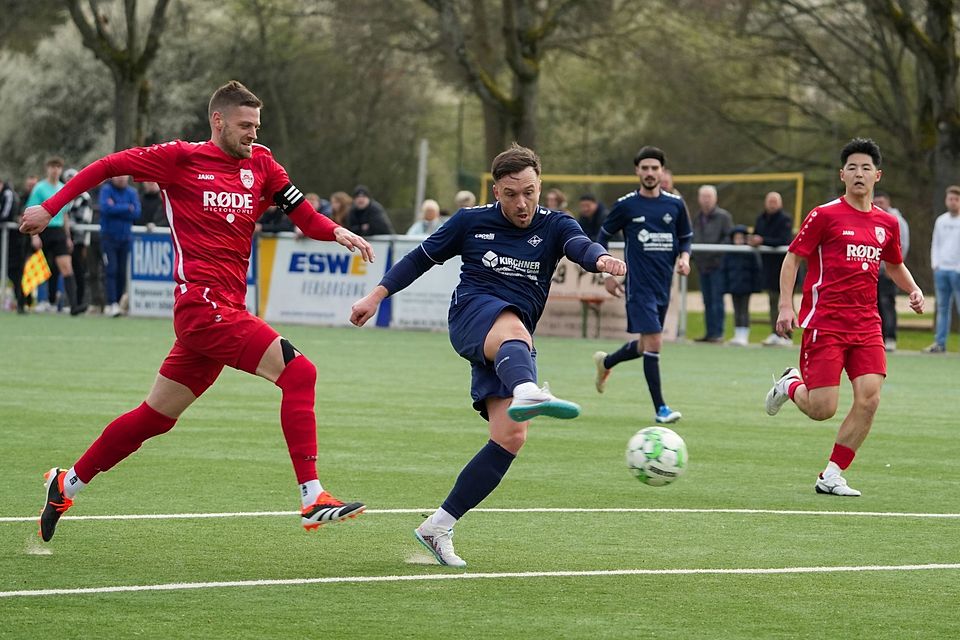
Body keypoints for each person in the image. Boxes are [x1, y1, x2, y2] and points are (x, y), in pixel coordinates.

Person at [21, 80, 374, 543]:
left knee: (155, 418)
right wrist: (49, 207)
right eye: (245, 125)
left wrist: (337, 232)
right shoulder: (180, 159)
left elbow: (304, 214)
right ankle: (312, 497)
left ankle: (65, 484)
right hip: (202, 308)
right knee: (300, 372)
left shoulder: (263, 163)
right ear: (218, 121)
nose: (253, 133)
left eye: (257, 125)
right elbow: (109, 166)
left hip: (221, 312)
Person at [350, 144, 625, 567]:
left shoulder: (555, 225)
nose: (522, 203)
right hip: (473, 314)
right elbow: (419, 259)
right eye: (511, 194)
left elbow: (579, 245)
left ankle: (437, 526)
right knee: (513, 325)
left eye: (530, 192)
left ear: (540, 186)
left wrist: (602, 258)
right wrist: (376, 295)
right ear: (496, 190)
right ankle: (529, 390)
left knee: (510, 437)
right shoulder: (470, 222)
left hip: (509, 345)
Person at [765, 138, 924, 497]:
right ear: (842, 174)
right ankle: (791, 383)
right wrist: (785, 306)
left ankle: (832, 474)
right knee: (822, 409)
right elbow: (792, 259)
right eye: (852, 167)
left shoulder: (887, 223)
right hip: (826, 323)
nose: (858, 173)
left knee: (870, 398)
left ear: (877, 176)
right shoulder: (824, 215)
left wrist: (912, 289)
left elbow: (895, 264)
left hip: (867, 324)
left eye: (866, 168)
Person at [592, 146, 692, 424]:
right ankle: (661, 409)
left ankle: (606, 362)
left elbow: (685, 237)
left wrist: (684, 258)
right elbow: (601, 237)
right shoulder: (626, 205)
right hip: (638, 286)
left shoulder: (675, 204)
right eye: (644, 168)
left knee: (646, 344)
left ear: (662, 172)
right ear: (637, 171)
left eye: (654, 168)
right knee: (655, 342)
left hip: (663, 285)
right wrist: (607, 275)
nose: (649, 173)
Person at [26, 157, 87, 315]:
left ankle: (74, 306)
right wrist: (34, 236)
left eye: (58, 167)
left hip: (58, 231)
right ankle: (23, 302)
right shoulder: (39, 188)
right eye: (53, 166)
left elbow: (65, 215)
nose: (55, 170)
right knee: (35, 267)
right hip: (43, 230)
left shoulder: (62, 187)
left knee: (67, 267)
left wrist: (67, 236)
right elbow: (31, 210)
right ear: (47, 168)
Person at [749, 192, 794, 346]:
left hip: (784, 267)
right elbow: (756, 234)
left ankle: (788, 336)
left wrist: (763, 240)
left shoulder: (785, 219)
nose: (772, 204)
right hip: (768, 267)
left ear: (780, 203)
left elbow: (785, 240)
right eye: (769, 201)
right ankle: (775, 333)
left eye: (775, 201)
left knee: (786, 302)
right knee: (772, 300)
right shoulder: (760, 219)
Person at [692, 184, 732, 342]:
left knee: (717, 300)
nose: (706, 200)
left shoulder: (724, 217)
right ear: (699, 199)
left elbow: (728, 237)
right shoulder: (696, 218)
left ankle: (718, 333)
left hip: (717, 265)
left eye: (709, 197)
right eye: (703, 196)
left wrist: (716, 255)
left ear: (715, 198)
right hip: (701, 265)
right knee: (707, 300)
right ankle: (710, 333)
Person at [872, 191, 909, 352]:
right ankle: (877, 337)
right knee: (874, 305)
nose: (879, 204)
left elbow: (904, 244)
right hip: (872, 270)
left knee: (887, 303)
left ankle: (891, 337)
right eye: (876, 202)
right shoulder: (871, 218)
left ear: (888, 202)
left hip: (889, 270)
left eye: (882, 201)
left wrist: (893, 266)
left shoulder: (897, 221)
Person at [99, 175, 141, 317]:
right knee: (111, 270)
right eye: (119, 176)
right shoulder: (106, 190)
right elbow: (105, 209)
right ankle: (111, 303)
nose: (121, 179)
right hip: (109, 238)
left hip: (125, 238)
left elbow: (136, 212)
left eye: (124, 176)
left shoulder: (132, 192)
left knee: (122, 272)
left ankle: (117, 301)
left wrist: (116, 207)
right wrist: (126, 208)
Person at [925, 185, 960, 353]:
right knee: (942, 308)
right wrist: (935, 264)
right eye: (950, 199)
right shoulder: (941, 220)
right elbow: (936, 243)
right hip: (942, 270)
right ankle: (940, 343)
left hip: (958, 271)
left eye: (956, 199)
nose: (952, 202)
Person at [722, 224, 762, 346]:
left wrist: (755, 286)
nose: (738, 240)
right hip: (734, 286)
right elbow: (725, 270)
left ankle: (744, 335)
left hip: (746, 287)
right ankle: (737, 334)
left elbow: (757, 270)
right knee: (736, 310)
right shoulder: (730, 253)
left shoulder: (750, 253)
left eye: (741, 238)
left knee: (744, 310)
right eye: (736, 238)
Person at [64, 168, 94, 311]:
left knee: (79, 270)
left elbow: (83, 219)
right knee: (68, 271)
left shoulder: (84, 197)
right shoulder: (65, 195)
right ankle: (71, 302)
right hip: (67, 237)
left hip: (80, 240)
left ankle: (81, 301)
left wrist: (68, 224)